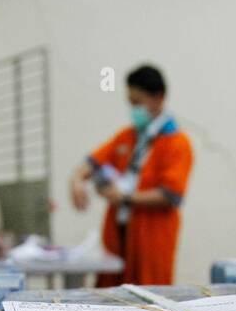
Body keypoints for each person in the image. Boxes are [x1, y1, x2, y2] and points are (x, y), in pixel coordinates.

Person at [69, 65, 193, 286]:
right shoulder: (127, 137)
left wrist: (125, 198)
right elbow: (91, 164)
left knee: (148, 300)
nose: (134, 109)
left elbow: (171, 195)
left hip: (151, 239)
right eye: (130, 103)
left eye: (138, 102)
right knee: (110, 298)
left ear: (158, 98)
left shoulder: (177, 143)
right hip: (118, 235)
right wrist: (77, 181)